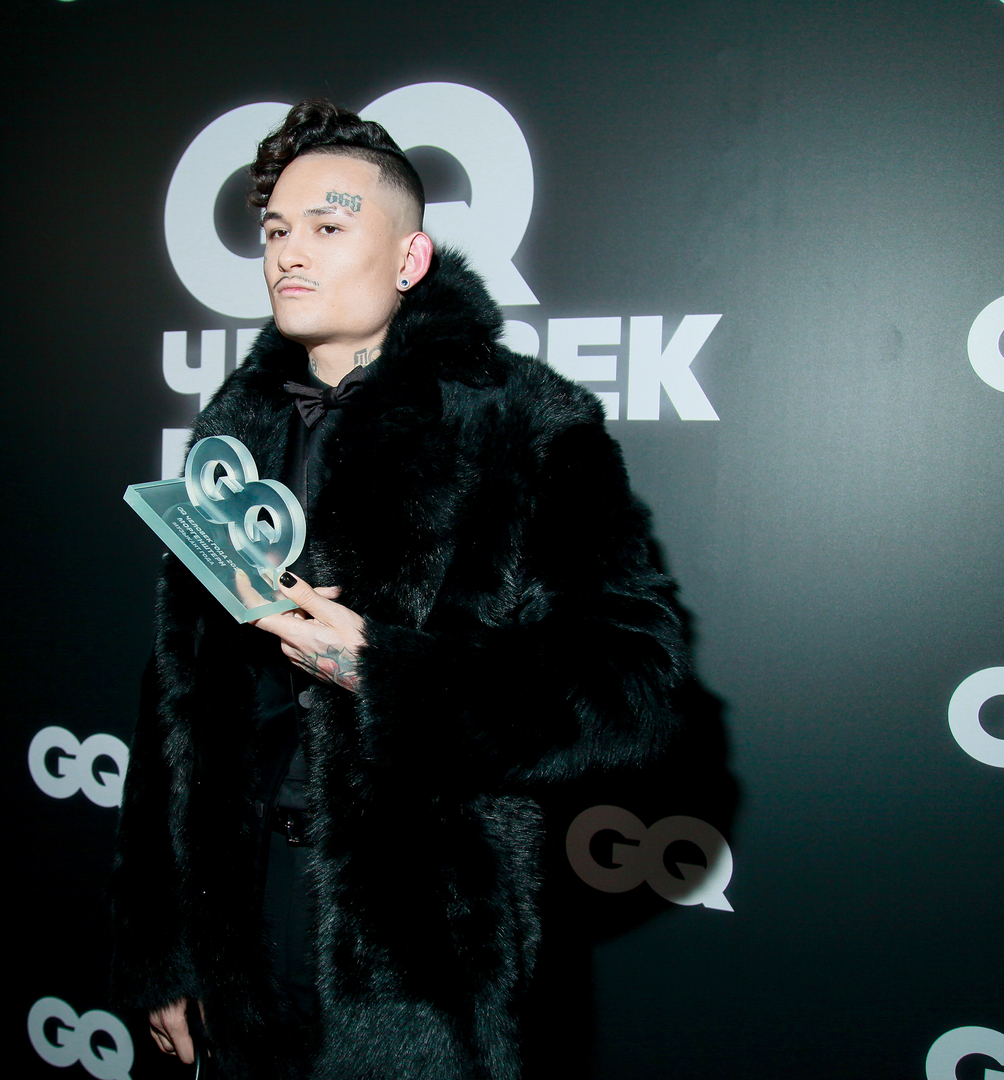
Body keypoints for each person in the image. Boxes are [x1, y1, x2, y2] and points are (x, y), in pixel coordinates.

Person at [111, 100, 688, 1079]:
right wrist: (166, 946)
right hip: (241, 926)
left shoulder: (524, 422)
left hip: (421, 950)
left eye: (329, 227)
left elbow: (633, 685)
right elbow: (174, 703)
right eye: (276, 232)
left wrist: (387, 673)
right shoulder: (234, 430)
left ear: (410, 258)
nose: (291, 254)